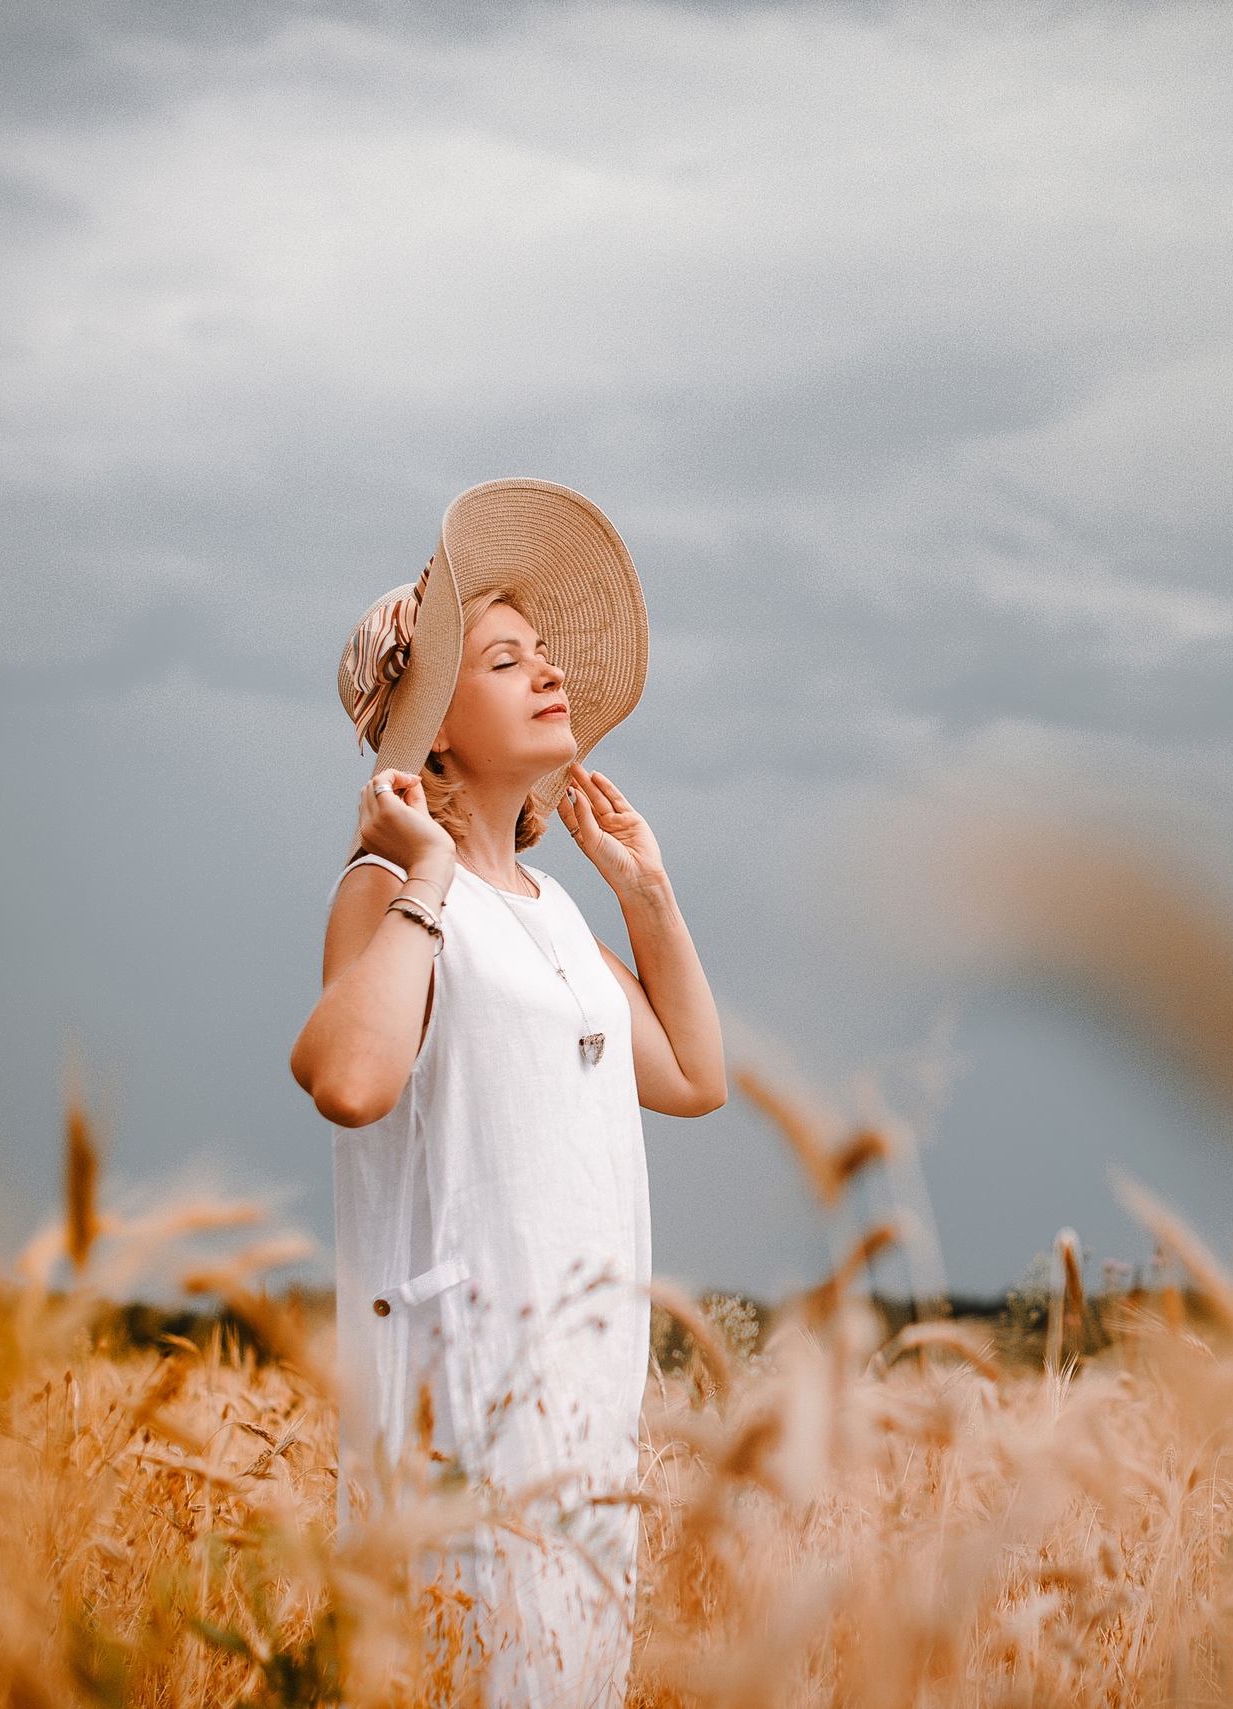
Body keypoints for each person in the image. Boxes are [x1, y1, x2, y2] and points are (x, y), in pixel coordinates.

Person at [289, 479, 725, 1707]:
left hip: (581, 1409)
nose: (548, 674)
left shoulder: (555, 909)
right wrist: (423, 867)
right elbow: (349, 1078)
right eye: (502, 658)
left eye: (543, 653)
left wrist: (647, 892)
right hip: (463, 1400)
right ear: (430, 723)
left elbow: (695, 1076)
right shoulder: (390, 886)